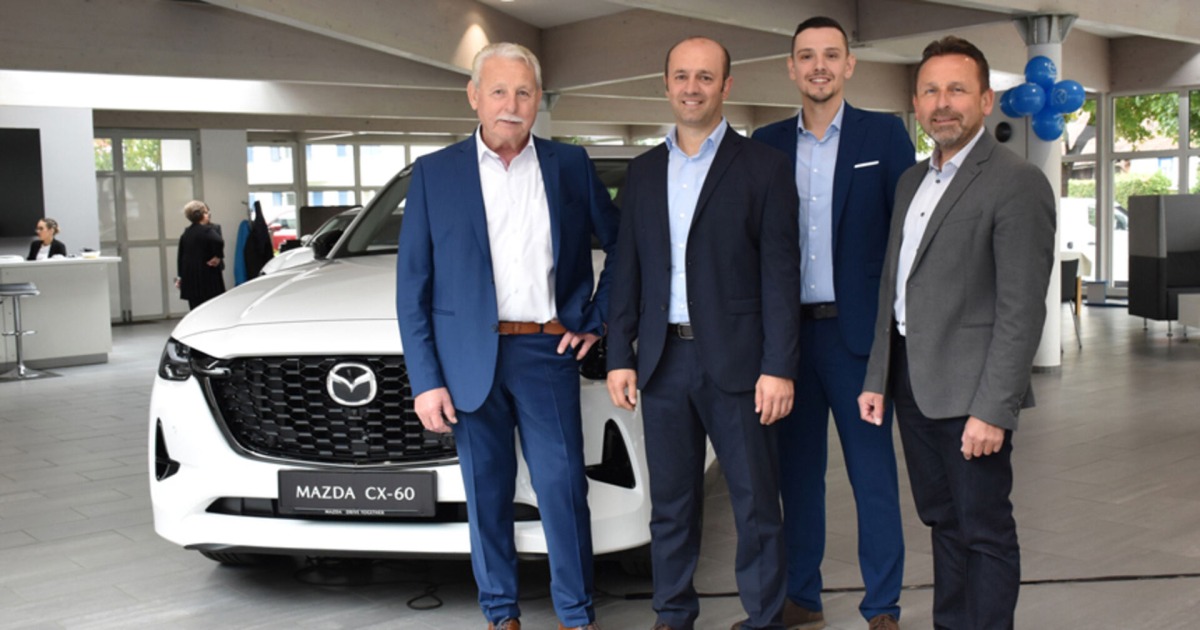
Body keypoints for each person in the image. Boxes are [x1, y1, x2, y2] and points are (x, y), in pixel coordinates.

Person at [395, 42, 617, 630]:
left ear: (538, 98)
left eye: (522, 92)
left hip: (547, 351)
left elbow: (624, 247)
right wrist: (425, 381)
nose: (511, 105)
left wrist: (596, 317)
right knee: (486, 492)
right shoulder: (435, 174)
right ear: (474, 97)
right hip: (468, 361)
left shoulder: (570, 165)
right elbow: (412, 287)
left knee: (562, 489)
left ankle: (577, 615)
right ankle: (500, 613)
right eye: (498, 91)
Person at [857, 36, 1055, 630]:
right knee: (942, 523)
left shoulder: (1016, 182)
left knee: (984, 531)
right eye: (930, 91)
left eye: (957, 89)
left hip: (973, 396)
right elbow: (894, 286)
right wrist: (877, 377)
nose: (942, 103)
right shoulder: (910, 183)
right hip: (913, 386)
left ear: (986, 100)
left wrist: (994, 409)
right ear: (916, 102)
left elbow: (1022, 310)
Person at [606, 36, 801, 630]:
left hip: (741, 365)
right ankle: (673, 615)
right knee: (671, 505)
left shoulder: (764, 167)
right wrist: (619, 355)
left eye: (706, 77)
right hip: (662, 363)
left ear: (726, 86)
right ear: (666, 85)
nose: (692, 88)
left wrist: (779, 366)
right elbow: (626, 270)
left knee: (755, 504)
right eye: (682, 76)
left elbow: (780, 275)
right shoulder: (643, 172)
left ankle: (764, 619)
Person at [751, 16, 914, 630]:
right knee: (797, 479)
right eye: (806, 55)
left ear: (849, 65)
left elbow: (904, 237)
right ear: (791, 68)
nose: (818, 65)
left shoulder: (885, 134)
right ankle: (802, 597)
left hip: (859, 340)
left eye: (830, 54)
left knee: (873, 475)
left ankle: (883, 607)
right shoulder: (764, 143)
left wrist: (895, 336)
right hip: (788, 342)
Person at [176, 200, 226, 309]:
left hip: (190, 275)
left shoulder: (187, 232)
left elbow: (181, 255)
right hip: (206, 275)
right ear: (201, 214)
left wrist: (180, 275)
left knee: (195, 308)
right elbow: (219, 241)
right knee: (211, 307)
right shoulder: (208, 230)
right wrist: (218, 256)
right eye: (206, 212)